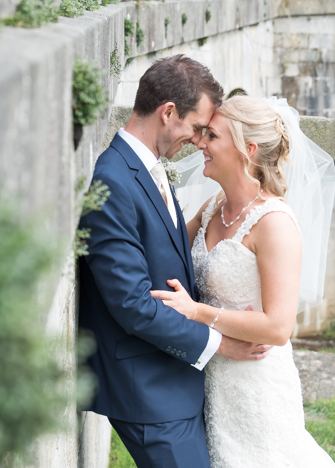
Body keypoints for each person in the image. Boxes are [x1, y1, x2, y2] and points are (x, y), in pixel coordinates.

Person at [78, 56, 272, 468]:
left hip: (177, 383)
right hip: (149, 394)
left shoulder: (150, 168)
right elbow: (132, 304)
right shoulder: (113, 180)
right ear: (168, 113)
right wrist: (223, 345)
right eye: (197, 128)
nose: (200, 141)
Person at [151, 95, 335, 467]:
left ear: (247, 149)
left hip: (257, 385)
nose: (200, 144)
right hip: (213, 374)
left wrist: (196, 312)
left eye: (213, 136)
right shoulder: (213, 207)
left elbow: (278, 326)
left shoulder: (275, 224)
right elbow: (164, 254)